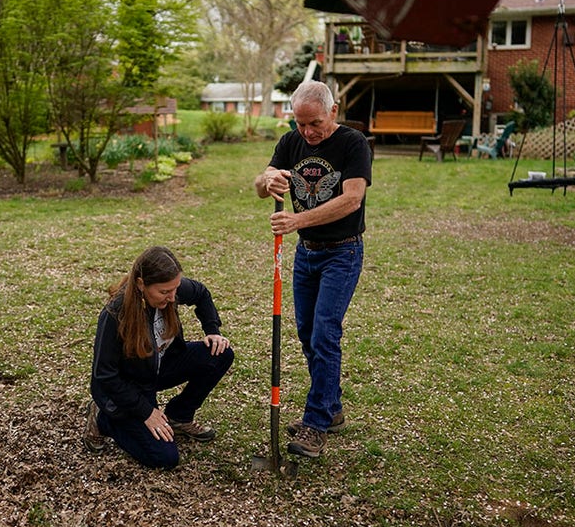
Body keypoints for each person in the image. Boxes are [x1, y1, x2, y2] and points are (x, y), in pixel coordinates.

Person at [253, 80, 372, 459]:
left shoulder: (354, 143)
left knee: (324, 333)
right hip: (307, 254)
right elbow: (261, 184)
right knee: (307, 334)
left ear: (333, 112)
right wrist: (266, 180)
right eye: (300, 124)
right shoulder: (292, 142)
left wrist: (298, 220)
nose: (307, 132)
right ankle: (332, 408)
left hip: (342, 252)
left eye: (315, 123)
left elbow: (352, 200)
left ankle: (316, 423)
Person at [85, 246, 235, 469]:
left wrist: (212, 330)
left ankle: (179, 416)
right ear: (140, 284)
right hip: (128, 387)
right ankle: (103, 419)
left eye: (175, 289)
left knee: (219, 354)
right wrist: (146, 412)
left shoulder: (170, 290)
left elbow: (201, 293)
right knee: (164, 457)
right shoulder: (115, 314)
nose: (173, 297)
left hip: (159, 368)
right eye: (165, 292)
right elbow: (104, 376)